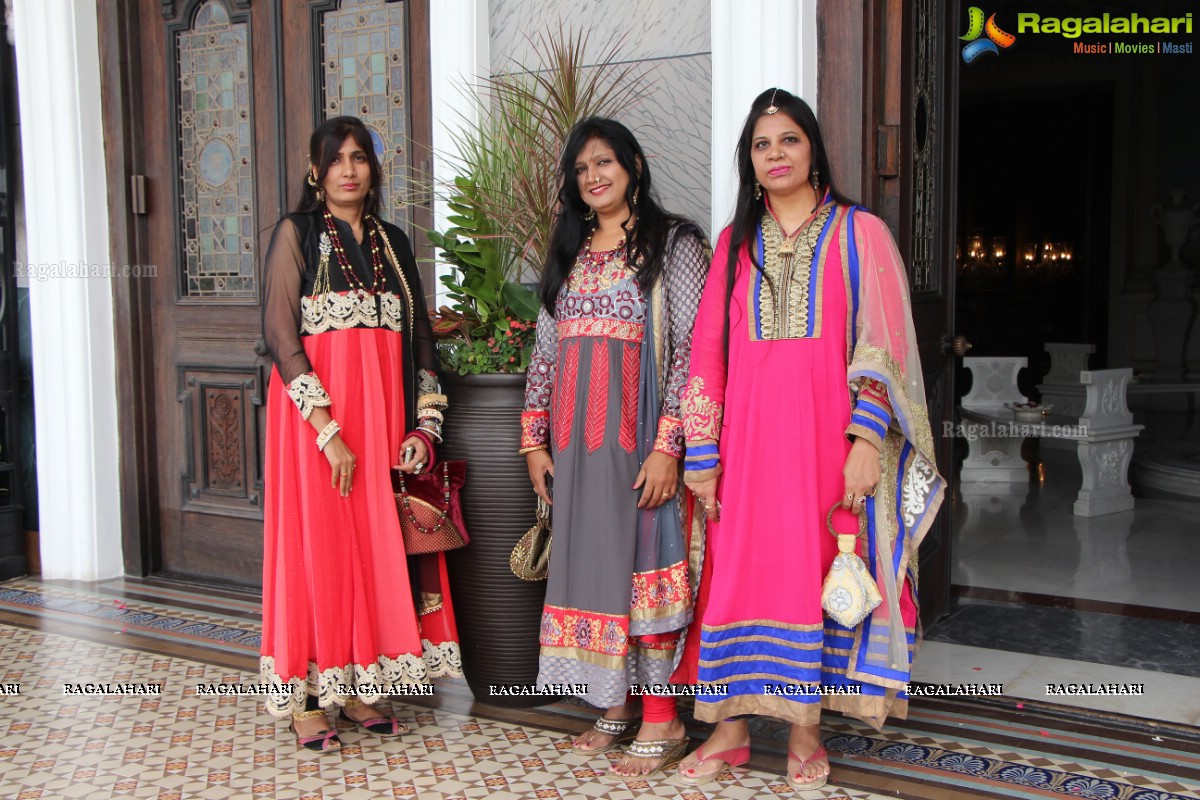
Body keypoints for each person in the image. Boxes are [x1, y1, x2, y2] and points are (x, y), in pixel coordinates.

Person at [676, 88, 945, 790]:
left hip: (827, 446)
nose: (776, 155)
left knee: (810, 576)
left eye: (788, 140)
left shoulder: (860, 234)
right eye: (762, 145)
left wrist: (866, 439)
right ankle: (730, 729)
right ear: (750, 161)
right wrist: (701, 453)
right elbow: (706, 354)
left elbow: (881, 345)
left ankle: (805, 730)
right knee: (734, 581)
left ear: (813, 148)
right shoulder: (735, 244)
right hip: (745, 449)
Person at [259, 116, 461, 752]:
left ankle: (359, 686)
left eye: (361, 158)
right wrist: (326, 430)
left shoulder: (394, 243)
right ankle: (309, 695)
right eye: (336, 159)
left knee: (372, 545)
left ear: (374, 170)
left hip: (380, 420)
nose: (349, 169)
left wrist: (425, 428)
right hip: (315, 422)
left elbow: (421, 339)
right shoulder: (295, 235)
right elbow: (281, 338)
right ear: (314, 172)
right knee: (317, 547)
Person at [520, 117, 709, 779]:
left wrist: (669, 447)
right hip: (575, 446)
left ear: (633, 163)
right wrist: (533, 439)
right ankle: (614, 701)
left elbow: (690, 349)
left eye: (605, 162)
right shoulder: (569, 246)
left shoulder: (674, 243)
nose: (594, 176)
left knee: (645, 568)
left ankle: (664, 715)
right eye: (582, 168)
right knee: (592, 568)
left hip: (639, 443)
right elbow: (546, 348)